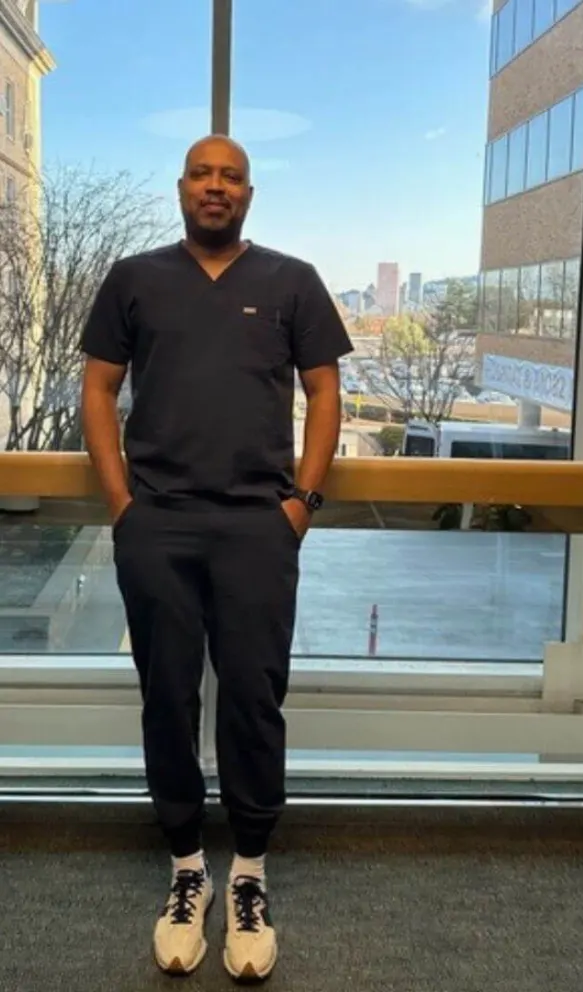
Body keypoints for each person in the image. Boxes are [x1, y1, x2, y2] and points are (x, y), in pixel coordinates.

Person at [78, 134, 353, 981]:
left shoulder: (292, 281)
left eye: (231, 176)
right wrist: (123, 507)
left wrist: (300, 505)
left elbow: (325, 391)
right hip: (157, 524)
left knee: (253, 699)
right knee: (166, 695)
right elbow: (98, 388)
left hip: (256, 528)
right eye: (202, 173)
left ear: (248, 194)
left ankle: (250, 876)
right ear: (181, 188)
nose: (216, 186)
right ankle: (187, 869)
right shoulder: (133, 278)